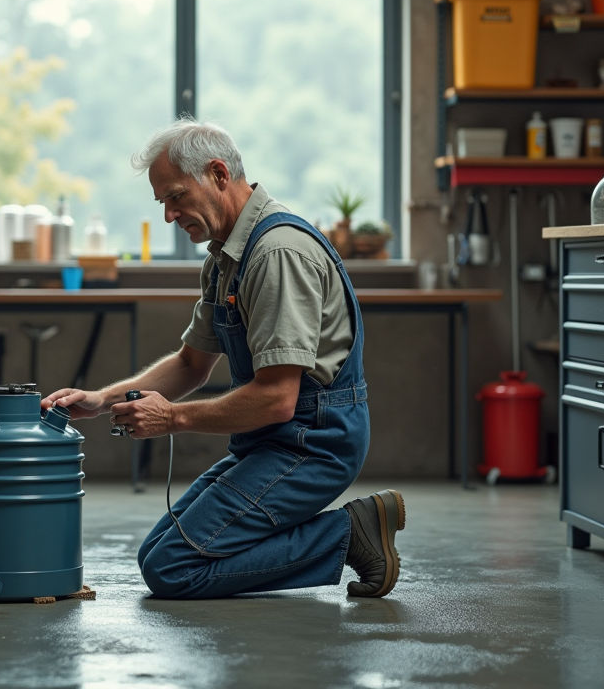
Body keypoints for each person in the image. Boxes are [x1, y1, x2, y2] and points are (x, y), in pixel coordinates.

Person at [41, 118, 404, 599]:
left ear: (217, 174)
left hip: (314, 445)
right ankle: (335, 534)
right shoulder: (224, 260)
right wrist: (101, 399)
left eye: (175, 197)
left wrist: (171, 417)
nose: (169, 215)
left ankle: (349, 533)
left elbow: (276, 398)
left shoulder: (277, 255)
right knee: (156, 553)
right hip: (272, 441)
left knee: (173, 569)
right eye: (163, 203)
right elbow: (192, 364)